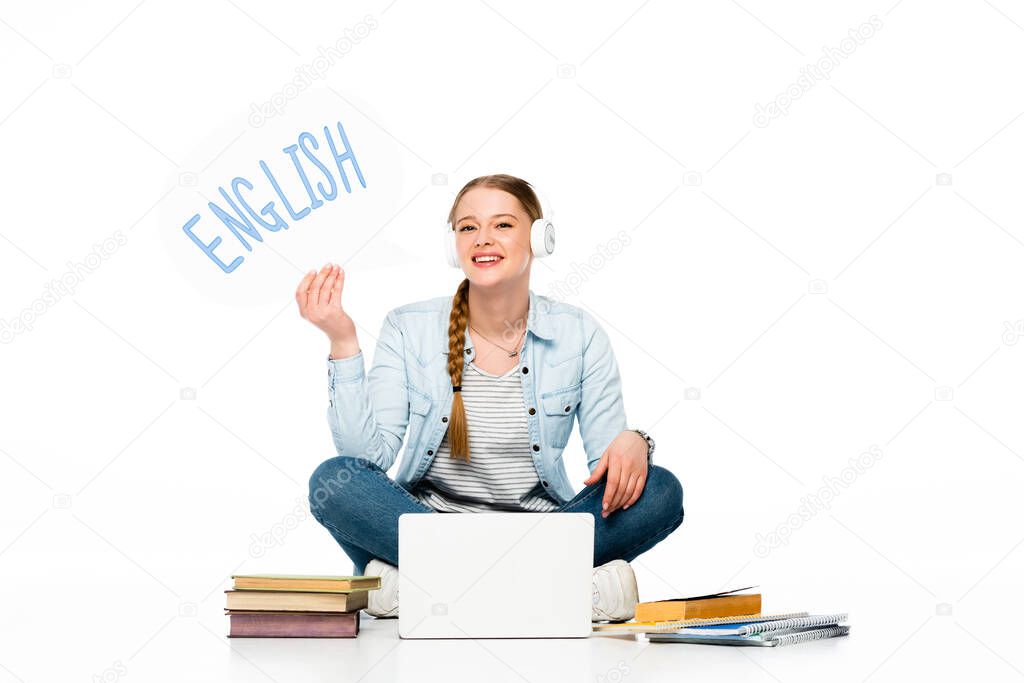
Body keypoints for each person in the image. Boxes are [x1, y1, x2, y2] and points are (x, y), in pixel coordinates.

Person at [300, 174, 684, 622]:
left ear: (539, 238)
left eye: (502, 225)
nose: (483, 239)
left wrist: (636, 442)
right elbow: (365, 457)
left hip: (543, 532)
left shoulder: (579, 333)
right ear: (453, 245)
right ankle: (560, 591)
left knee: (660, 490)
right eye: (467, 227)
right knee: (337, 479)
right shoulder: (408, 327)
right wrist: (343, 343)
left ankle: (426, 591)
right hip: (429, 531)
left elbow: (609, 469)